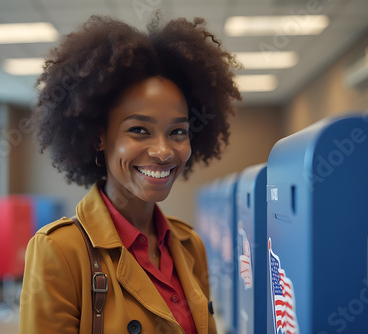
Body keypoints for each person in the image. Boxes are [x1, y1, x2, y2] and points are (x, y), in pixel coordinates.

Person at [19, 13, 241, 334]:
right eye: (139, 130)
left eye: (178, 132)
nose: (164, 151)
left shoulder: (191, 245)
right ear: (99, 137)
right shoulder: (60, 250)